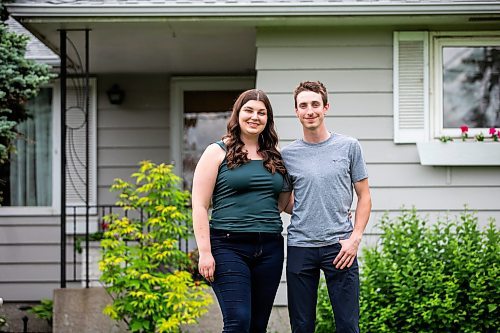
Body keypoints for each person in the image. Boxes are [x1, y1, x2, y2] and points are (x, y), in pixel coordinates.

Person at [191, 89, 292, 333]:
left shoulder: (275, 157)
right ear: (238, 114)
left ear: (268, 119)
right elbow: (200, 205)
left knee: (258, 326)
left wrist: (334, 211)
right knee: (238, 321)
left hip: (270, 248)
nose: (254, 117)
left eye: (262, 112)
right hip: (228, 246)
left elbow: (286, 204)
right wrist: (205, 252)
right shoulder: (217, 152)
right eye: (249, 110)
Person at [281, 81, 372, 333]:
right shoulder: (287, 155)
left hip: (340, 246)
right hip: (301, 245)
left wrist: (355, 238)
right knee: (301, 326)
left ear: (326, 107)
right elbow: (287, 203)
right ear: (296, 112)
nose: (309, 111)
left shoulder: (349, 147)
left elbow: (364, 196)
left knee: (347, 325)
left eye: (315, 104)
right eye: (303, 106)